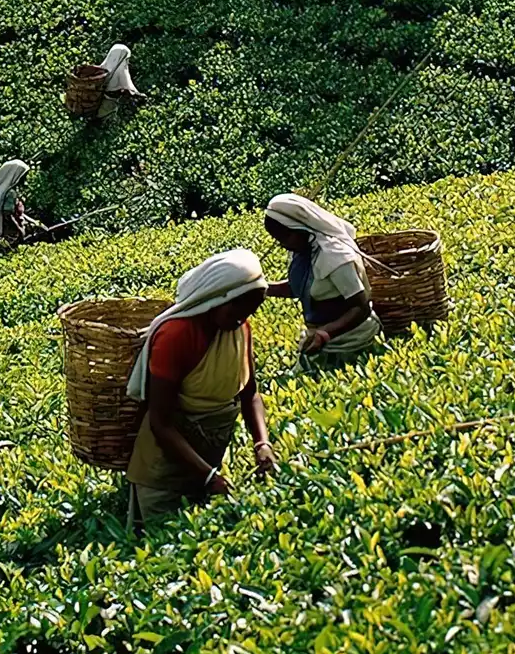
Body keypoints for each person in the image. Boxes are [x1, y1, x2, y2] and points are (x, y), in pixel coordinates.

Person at [124, 249, 277, 524]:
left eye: (250, 311)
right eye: (238, 308)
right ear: (217, 299)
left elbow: (250, 393)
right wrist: (208, 477)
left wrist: (262, 443)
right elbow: (161, 422)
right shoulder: (177, 335)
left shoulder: (239, 328)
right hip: (164, 471)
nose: (242, 318)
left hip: (207, 460)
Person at [262, 193, 382, 367]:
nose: (282, 244)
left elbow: (360, 307)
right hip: (320, 337)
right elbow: (301, 287)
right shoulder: (302, 251)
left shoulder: (335, 256)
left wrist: (325, 334)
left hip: (352, 339)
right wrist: (262, 288)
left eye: (284, 237)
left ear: (299, 227)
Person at [0, 159, 34, 242]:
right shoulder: (11, 193)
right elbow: (8, 215)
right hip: (9, 229)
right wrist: (20, 230)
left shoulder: (0, 191)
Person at [96, 43, 142, 118]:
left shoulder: (100, 69)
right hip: (107, 107)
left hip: (95, 105)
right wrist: (137, 94)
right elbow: (128, 86)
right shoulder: (121, 72)